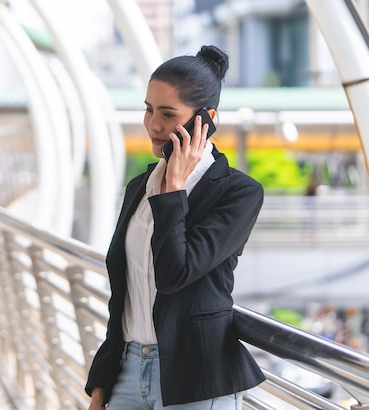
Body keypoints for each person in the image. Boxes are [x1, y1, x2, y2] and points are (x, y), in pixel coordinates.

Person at [85, 45, 266, 409]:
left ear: (205, 119)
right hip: (128, 372)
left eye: (168, 114)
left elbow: (174, 272)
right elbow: (125, 293)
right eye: (149, 110)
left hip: (196, 382)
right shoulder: (139, 187)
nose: (153, 125)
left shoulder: (238, 193)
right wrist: (102, 383)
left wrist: (174, 189)